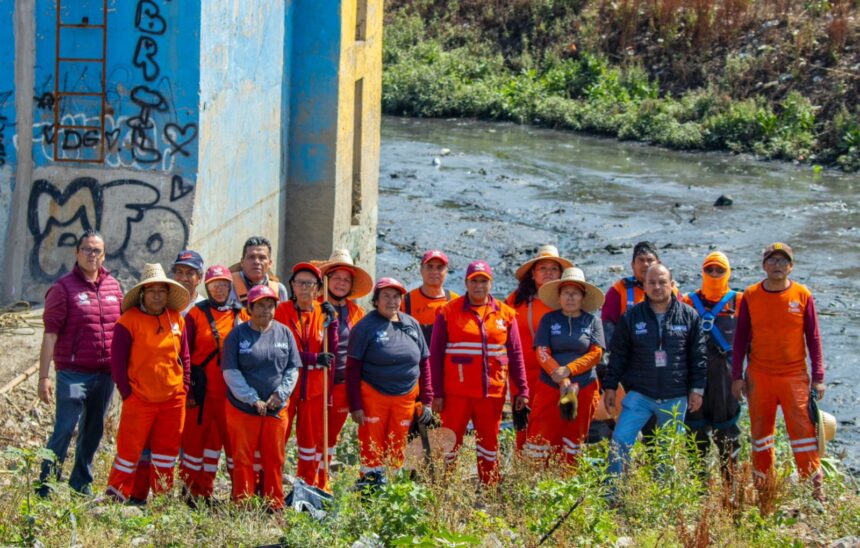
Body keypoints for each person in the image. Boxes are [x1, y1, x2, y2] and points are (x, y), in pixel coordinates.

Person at [731, 243, 826, 499]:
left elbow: (814, 339)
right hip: (759, 376)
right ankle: (764, 492)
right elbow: (740, 339)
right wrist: (737, 376)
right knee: (761, 435)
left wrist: (818, 378)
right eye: (772, 260)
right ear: (764, 265)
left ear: (791, 266)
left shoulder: (802, 294)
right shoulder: (750, 295)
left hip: (794, 376)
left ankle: (814, 493)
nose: (778, 266)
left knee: (804, 433)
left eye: (783, 261)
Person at [36, 230, 122, 497]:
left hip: (104, 375)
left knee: (94, 429)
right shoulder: (62, 289)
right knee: (65, 427)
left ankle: (80, 484)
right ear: (76, 253)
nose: (91, 255)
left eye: (97, 250)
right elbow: (50, 334)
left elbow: (123, 330)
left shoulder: (113, 287)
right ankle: (46, 486)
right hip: (74, 376)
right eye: (86, 249)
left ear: (104, 254)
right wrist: (44, 377)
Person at [603, 264, 706, 485]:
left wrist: (697, 390)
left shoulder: (689, 316)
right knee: (620, 440)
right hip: (640, 395)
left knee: (668, 451)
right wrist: (610, 386)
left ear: (672, 284)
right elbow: (618, 354)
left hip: (675, 395)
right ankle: (612, 494)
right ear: (644, 286)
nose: (657, 287)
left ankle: (664, 498)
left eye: (662, 282)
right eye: (652, 283)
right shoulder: (632, 316)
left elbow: (698, 357)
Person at [429, 260, 529, 485]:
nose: (479, 286)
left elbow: (515, 354)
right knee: (449, 443)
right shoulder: (447, 312)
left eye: (484, 281)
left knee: (489, 445)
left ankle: (489, 490)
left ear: (491, 284)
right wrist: (436, 392)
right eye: (474, 281)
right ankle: (444, 489)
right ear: (466, 283)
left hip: (491, 393)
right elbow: (434, 356)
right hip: (456, 393)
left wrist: (522, 389)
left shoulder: (506, 314)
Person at [105, 263, 191, 502]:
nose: (157, 295)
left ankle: (162, 500)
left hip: (173, 400)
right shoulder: (128, 321)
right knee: (129, 452)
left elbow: (184, 356)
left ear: (168, 294)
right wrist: (127, 394)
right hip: (139, 399)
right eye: (151, 290)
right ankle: (116, 497)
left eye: (162, 291)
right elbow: (118, 364)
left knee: (166, 453)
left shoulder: (176, 319)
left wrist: (184, 387)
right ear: (142, 293)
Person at [346, 278, 433, 482]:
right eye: (386, 296)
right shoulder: (364, 327)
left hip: (405, 398)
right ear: (376, 300)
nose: (391, 301)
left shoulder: (411, 324)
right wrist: (355, 405)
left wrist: (427, 400)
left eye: (396, 296)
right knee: (372, 448)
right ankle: (370, 494)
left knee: (398, 447)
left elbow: (424, 363)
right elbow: (352, 369)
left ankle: (393, 490)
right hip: (373, 396)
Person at [223, 285, 301, 509]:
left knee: (274, 459)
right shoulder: (237, 335)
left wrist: (280, 394)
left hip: (276, 409)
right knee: (243, 458)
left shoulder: (284, 333)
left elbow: (292, 369)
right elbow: (230, 372)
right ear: (250, 308)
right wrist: (252, 398)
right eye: (260, 306)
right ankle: (243, 503)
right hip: (242, 409)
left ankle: (274, 503)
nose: (265, 311)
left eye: (270, 306)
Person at [178, 265, 248, 500]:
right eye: (214, 285)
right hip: (201, 392)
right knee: (195, 444)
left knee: (233, 446)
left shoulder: (242, 315)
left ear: (230, 286)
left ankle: (240, 496)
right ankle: (193, 494)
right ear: (207, 287)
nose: (219, 289)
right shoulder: (195, 315)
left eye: (223, 284)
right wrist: (186, 390)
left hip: (232, 394)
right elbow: (183, 355)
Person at [525, 267, 605, 465]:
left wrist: (569, 370)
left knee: (574, 437)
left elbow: (596, 354)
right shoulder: (549, 319)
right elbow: (541, 351)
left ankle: (569, 483)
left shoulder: (593, 321)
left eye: (575, 292)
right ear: (559, 296)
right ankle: (538, 484)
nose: (570, 297)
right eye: (566, 292)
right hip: (550, 385)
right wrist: (560, 376)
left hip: (584, 387)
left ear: (583, 297)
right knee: (541, 434)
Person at [273, 262, 338, 489]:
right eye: (299, 282)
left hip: (314, 388)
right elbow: (281, 350)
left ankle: (308, 487)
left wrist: (335, 324)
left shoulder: (325, 312)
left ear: (319, 288)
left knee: (310, 443)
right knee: (277, 438)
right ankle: (271, 487)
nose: (303, 288)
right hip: (286, 387)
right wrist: (312, 358)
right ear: (292, 286)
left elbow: (331, 352)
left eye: (309, 284)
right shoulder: (281, 312)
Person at [682, 252, 742, 482]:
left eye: (720, 270)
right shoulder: (687, 301)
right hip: (695, 377)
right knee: (695, 435)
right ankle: (699, 487)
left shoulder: (740, 301)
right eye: (710, 270)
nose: (714, 274)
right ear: (702, 272)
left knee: (728, 434)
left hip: (726, 378)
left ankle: (730, 487)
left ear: (728, 273)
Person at [506, 245, 572, 449]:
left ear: (561, 274)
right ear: (533, 274)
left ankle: (557, 475)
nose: (548, 273)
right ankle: (523, 473)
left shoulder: (568, 300)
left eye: (553, 269)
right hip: (523, 375)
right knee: (523, 425)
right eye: (543, 268)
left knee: (557, 424)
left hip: (558, 375)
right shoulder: (515, 301)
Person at [319, 249, 371, 489]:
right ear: (327, 279)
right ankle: (309, 477)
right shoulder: (313, 307)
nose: (341, 283)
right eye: (336, 277)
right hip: (316, 382)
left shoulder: (358, 314)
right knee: (312, 434)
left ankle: (324, 480)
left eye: (346, 279)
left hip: (341, 384)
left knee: (331, 435)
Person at [401, 250, 460, 344]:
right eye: (430, 266)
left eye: (440, 267)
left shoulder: (456, 302)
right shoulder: (406, 301)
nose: (434, 271)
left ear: (446, 271)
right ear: (421, 270)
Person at [230, 236, 288, 305]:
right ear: (242, 262)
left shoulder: (279, 290)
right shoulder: (229, 287)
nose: (256, 262)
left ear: (270, 263)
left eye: (262, 257)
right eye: (251, 257)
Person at [172, 250, 207, 315]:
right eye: (180, 272)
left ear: (200, 278)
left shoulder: (205, 310)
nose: (183, 278)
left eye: (189, 273)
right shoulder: (165, 304)